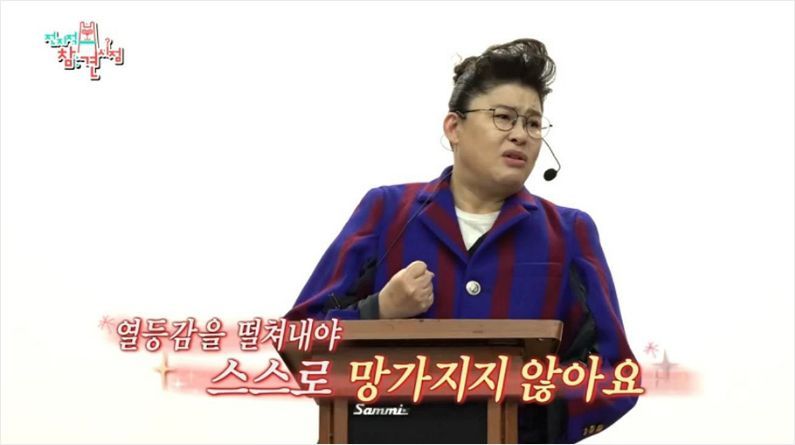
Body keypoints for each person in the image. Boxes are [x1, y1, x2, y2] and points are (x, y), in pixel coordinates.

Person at [285, 38, 639, 443]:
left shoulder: (570, 231)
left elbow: (616, 375)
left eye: (533, 123)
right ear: (454, 128)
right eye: (503, 117)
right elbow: (299, 338)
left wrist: (527, 406)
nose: (521, 135)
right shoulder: (387, 212)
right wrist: (377, 309)